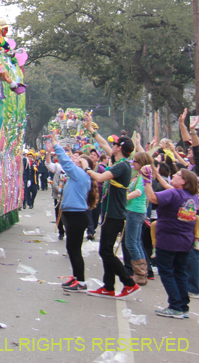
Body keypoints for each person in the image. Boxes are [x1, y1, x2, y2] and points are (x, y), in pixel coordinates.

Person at [86, 122, 140, 299]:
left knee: (106, 252)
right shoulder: (121, 162)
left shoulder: (121, 166)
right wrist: (92, 131)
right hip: (111, 213)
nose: (111, 146)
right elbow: (103, 144)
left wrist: (86, 169)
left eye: (115, 144)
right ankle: (108, 286)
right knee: (106, 249)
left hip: (115, 214)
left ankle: (129, 282)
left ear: (119, 148)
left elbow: (100, 177)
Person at [144, 166, 199, 318]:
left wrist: (146, 181)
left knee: (167, 272)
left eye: (177, 175)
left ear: (184, 181)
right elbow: (169, 189)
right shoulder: (192, 196)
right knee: (180, 272)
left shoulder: (174, 193)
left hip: (169, 239)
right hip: (184, 241)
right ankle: (183, 306)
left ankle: (175, 306)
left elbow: (153, 198)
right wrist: (155, 176)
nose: (174, 175)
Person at [48, 131, 98, 293]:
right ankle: (76, 277)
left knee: (75, 250)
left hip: (76, 216)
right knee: (71, 249)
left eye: (79, 159)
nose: (75, 159)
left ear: (84, 165)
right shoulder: (78, 175)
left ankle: (81, 281)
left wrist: (55, 144)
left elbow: (65, 161)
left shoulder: (80, 174)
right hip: (72, 215)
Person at [124, 152, 152, 285]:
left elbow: (139, 192)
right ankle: (142, 272)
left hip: (135, 212)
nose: (132, 163)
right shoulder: (139, 176)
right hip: (134, 211)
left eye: (134, 161)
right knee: (136, 242)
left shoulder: (143, 178)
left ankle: (140, 274)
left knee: (132, 243)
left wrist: (124, 198)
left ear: (141, 163)